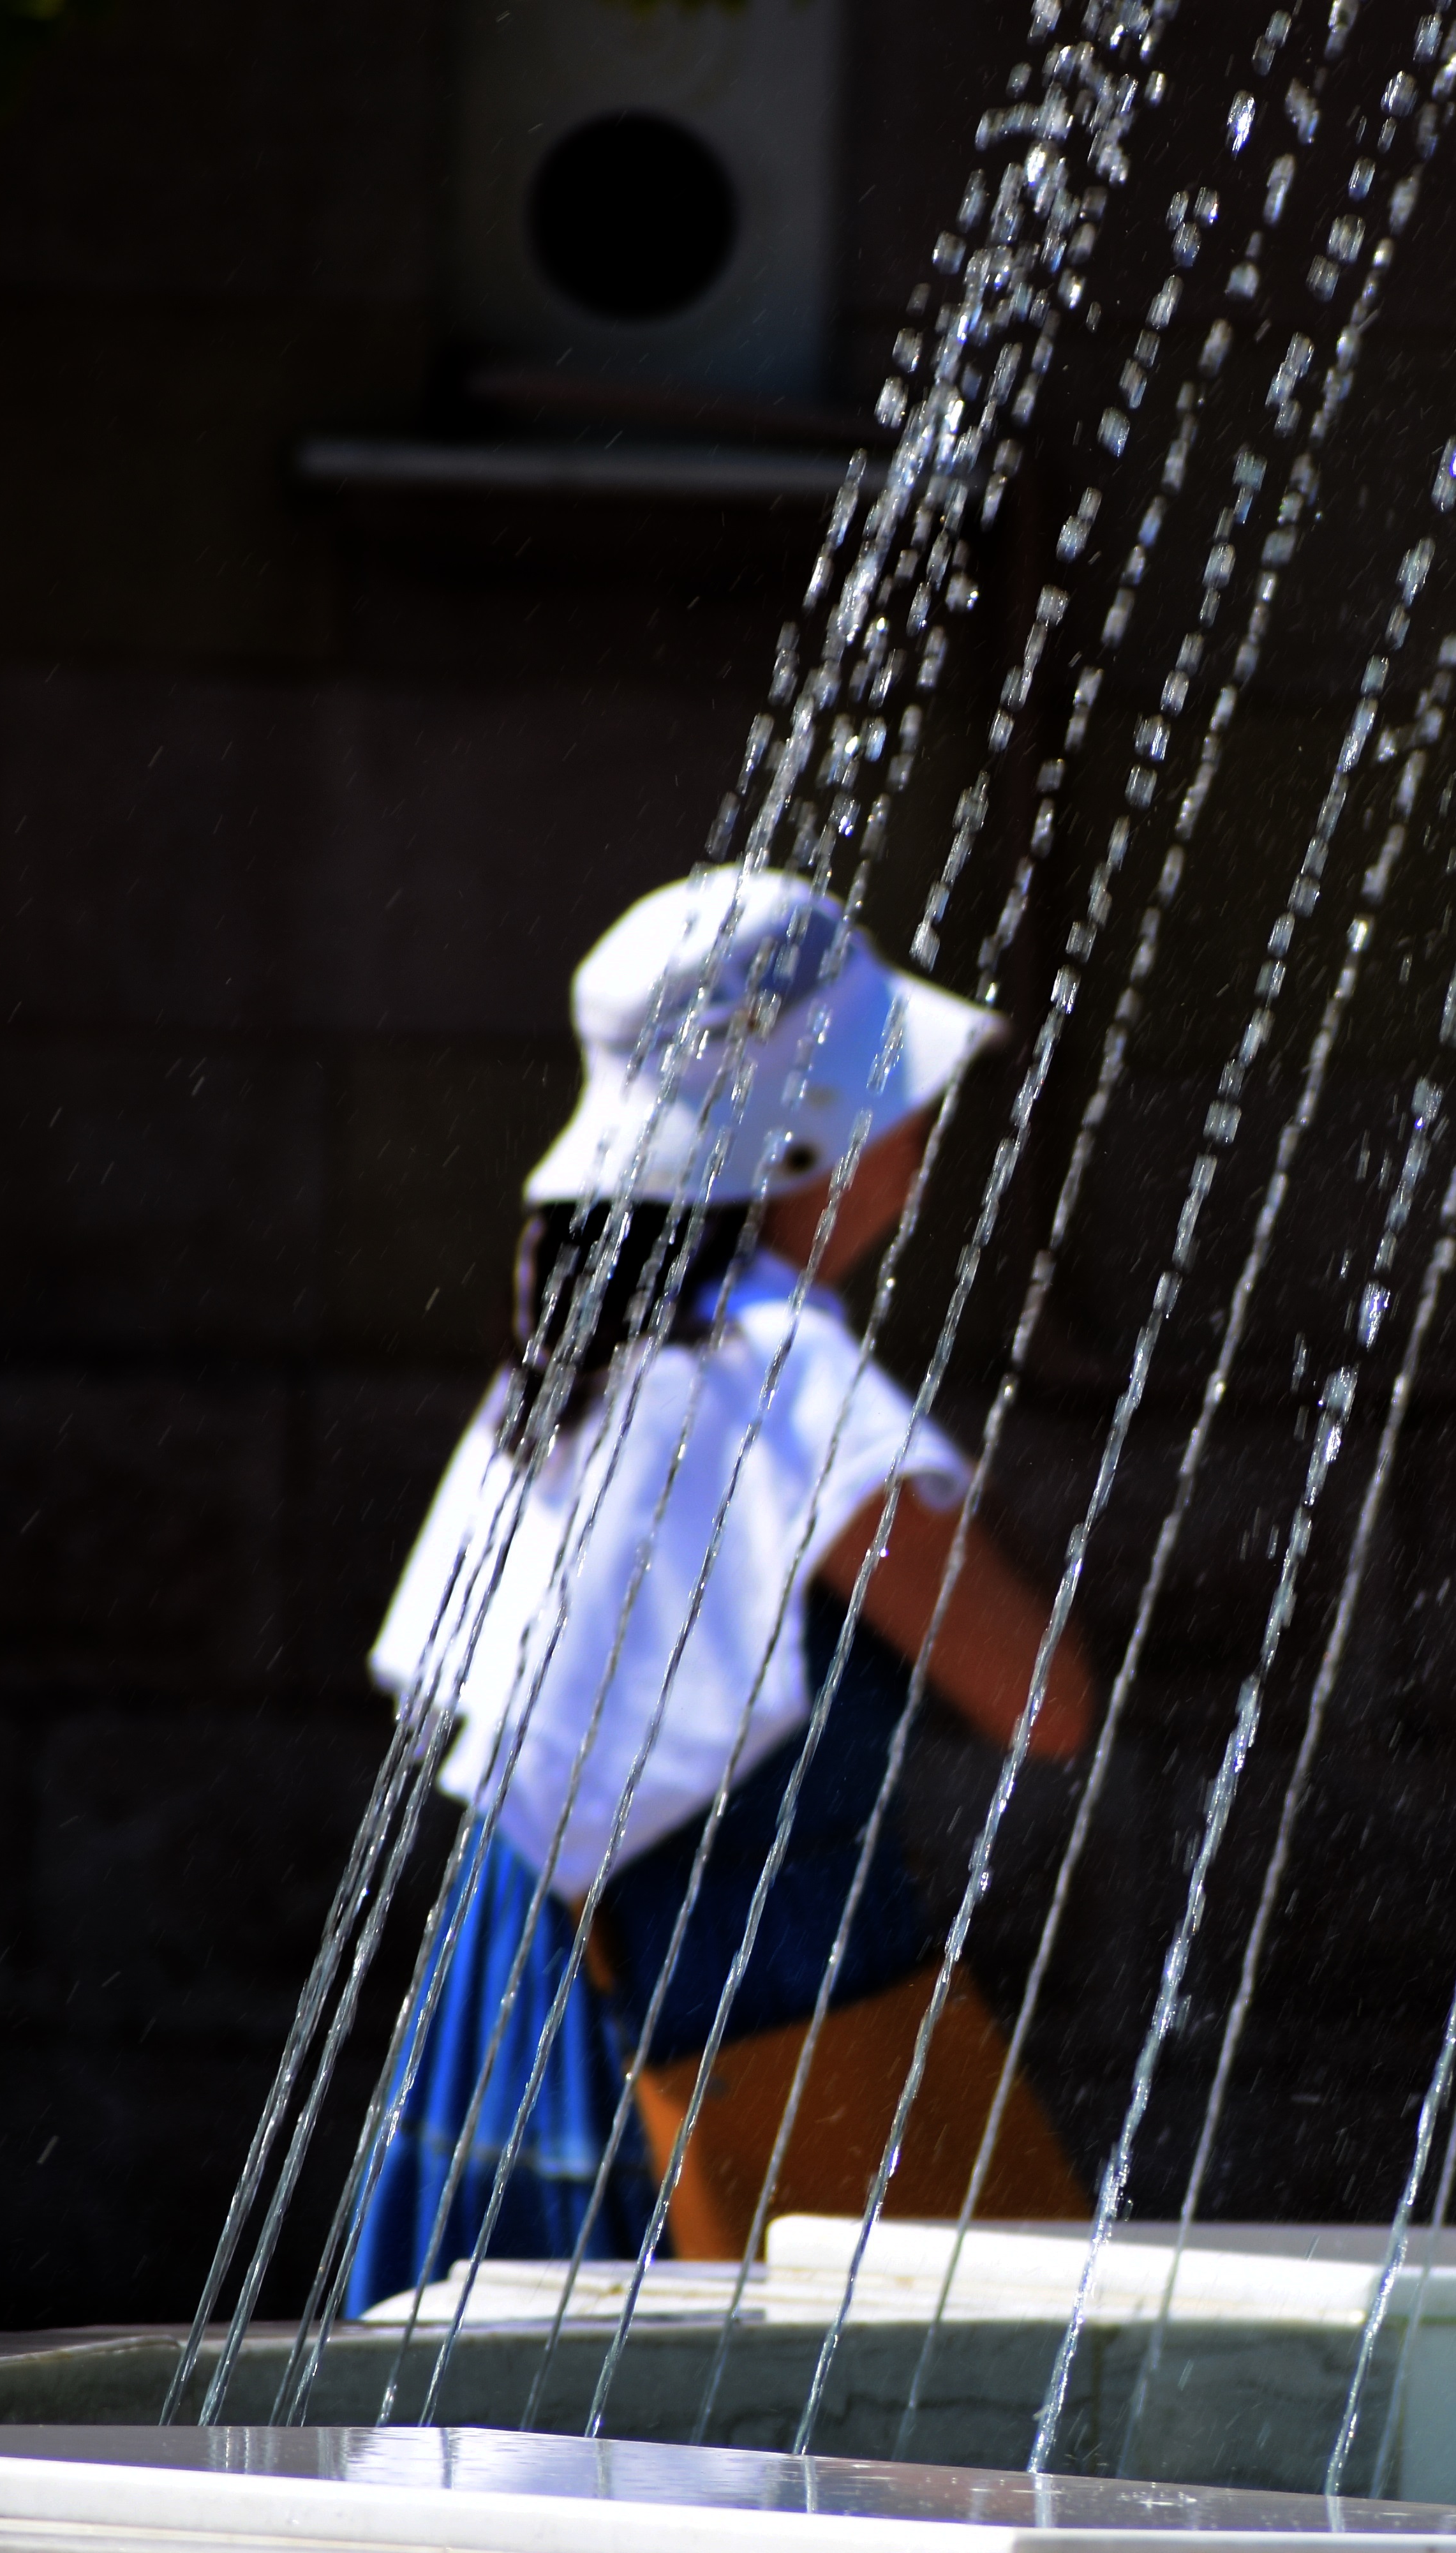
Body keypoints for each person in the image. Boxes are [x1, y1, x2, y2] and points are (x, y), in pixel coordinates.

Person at [348, 869, 1095, 2313]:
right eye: (897, 1099)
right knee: (904, 2464)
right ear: (810, 1142)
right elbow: (1047, 1700)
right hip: (772, 2007)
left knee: (513, 2464)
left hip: (517, 1998)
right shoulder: (788, 1378)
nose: (922, 1137)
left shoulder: (564, 1372)